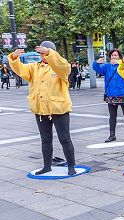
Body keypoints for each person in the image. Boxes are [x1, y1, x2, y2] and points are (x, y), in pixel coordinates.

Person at [9, 41, 77, 175]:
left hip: (59, 109)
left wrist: (50, 53)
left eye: (45, 53)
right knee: (45, 140)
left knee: (64, 138)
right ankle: (47, 166)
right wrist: (14, 58)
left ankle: (71, 166)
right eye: (41, 54)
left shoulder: (60, 68)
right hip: (41, 110)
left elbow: (64, 66)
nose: (43, 56)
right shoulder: (34, 67)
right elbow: (20, 70)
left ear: (52, 52)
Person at [93, 49, 124, 143]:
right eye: (112, 56)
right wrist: (97, 62)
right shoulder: (107, 66)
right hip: (111, 95)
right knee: (112, 116)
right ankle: (112, 135)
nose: (113, 57)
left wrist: (121, 62)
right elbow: (97, 69)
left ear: (119, 57)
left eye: (116, 55)